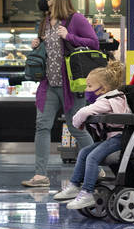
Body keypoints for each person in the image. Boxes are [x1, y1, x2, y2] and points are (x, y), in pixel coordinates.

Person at [26, 0, 98, 189]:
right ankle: (40, 175)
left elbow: (93, 42)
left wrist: (70, 37)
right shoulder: (45, 22)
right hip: (48, 83)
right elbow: (48, 50)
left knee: (77, 127)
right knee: (42, 126)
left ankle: (96, 166)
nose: (42, 0)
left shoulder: (75, 19)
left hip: (71, 84)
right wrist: (37, 45)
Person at [54, 62, 130, 210]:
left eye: (89, 86)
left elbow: (83, 112)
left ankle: (87, 191)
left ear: (104, 88)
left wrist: (76, 123)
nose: (86, 89)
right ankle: (74, 185)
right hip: (112, 138)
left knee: (92, 157)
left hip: (119, 138)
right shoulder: (110, 98)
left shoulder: (109, 101)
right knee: (83, 152)